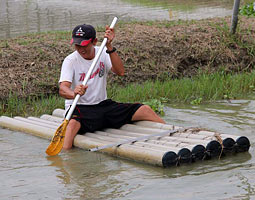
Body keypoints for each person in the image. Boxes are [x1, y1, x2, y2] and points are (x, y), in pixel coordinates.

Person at [59, 22, 165, 150]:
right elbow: (63, 89)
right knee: (72, 125)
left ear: (94, 41)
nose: (81, 49)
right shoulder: (70, 61)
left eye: (84, 44)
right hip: (80, 108)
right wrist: (73, 93)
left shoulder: (103, 52)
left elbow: (120, 72)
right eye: (77, 45)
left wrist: (109, 46)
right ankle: (65, 158)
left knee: (145, 109)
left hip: (103, 106)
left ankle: (172, 132)